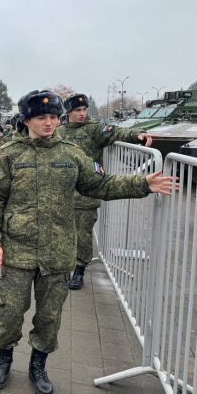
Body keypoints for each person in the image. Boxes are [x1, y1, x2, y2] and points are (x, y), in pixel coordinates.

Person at [0, 90, 176, 394]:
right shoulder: (8, 154)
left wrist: (142, 184)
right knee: (12, 310)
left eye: (53, 117)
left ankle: (38, 366)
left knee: (49, 315)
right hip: (18, 248)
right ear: (27, 119)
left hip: (58, 250)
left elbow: (99, 184)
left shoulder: (71, 154)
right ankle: (4, 358)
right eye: (42, 117)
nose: (49, 122)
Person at [56, 93, 153, 290]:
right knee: (62, 232)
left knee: (82, 234)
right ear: (68, 112)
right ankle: (62, 266)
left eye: (84, 110)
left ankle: (79, 269)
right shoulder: (59, 132)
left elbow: (116, 132)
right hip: (61, 193)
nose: (82, 114)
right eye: (78, 111)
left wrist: (137, 135)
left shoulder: (94, 129)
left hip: (86, 193)